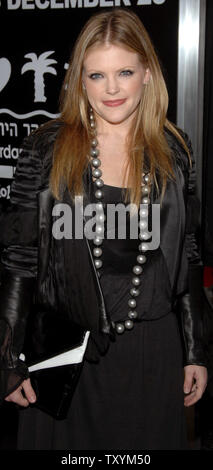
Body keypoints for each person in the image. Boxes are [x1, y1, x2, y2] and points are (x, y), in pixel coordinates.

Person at [0, 8, 208, 450]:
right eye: (96, 76)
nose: (111, 89)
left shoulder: (175, 150)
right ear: (80, 80)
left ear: (147, 73)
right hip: (64, 351)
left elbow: (187, 253)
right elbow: (20, 260)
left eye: (125, 72)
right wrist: (8, 360)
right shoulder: (46, 149)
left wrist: (195, 350)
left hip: (152, 355)